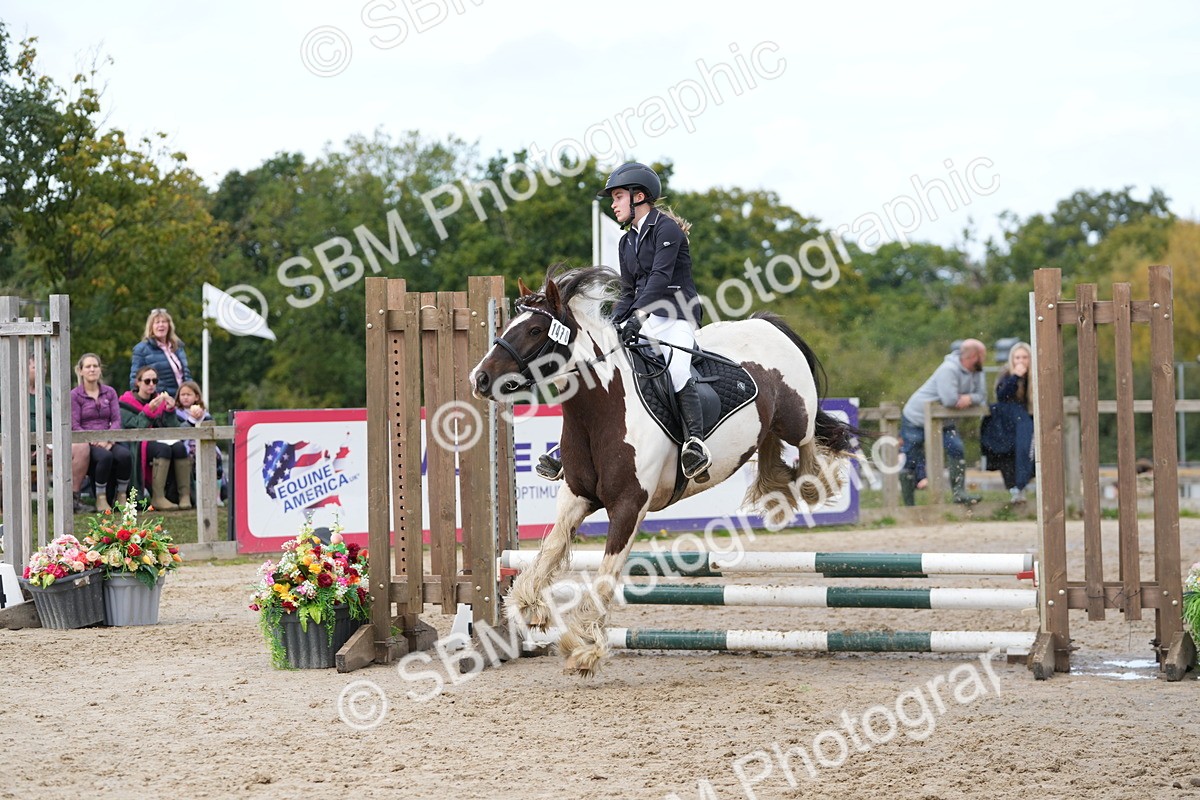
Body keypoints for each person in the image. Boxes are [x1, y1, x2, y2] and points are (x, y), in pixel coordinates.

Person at [537, 162, 709, 482]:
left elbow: (660, 279)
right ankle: (570, 449)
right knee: (600, 366)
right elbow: (629, 290)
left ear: (638, 196)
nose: (613, 204)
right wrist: (617, 321)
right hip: (642, 318)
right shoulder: (626, 242)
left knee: (677, 367)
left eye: (617, 197)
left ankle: (694, 443)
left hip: (676, 316)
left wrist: (639, 317)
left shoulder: (666, 229)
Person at [899, 339, 987, 505]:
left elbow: (982, 396)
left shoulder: (978, 371)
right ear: (975, 356)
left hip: (944, 421)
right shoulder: (948, 369)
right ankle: (909, 506)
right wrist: (964, 399)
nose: (985, 359)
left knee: (956, 448)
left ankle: (959, 493)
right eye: (983, 356)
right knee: (912, 457)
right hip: (916, 418)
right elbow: (950, 400)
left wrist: (969, 398)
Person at [120, 366, 190, 510]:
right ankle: (158, 497)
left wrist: (170, 411)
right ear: (138, 383)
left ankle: (184, 495)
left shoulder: (160, 400)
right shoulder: (125, 402)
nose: (151, 384)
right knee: (163, 449)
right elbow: (134, 427)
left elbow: (174, 428)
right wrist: (148, 411)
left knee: (179, 447)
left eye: (154, 381)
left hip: (161, 438)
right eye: (147, 381)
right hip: (138, 444)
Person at [70, 353, 133, 513]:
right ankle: (100, 498)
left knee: (125, 455)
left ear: (100, 369)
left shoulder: (110, 392)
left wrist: (109, 440)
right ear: (81, 371)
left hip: (108, 439)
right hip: (87, 442)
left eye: (95, 366)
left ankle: (121, 496)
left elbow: (117, 420)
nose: (92, 369)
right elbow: (75, 424)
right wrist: (93, 440)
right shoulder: (75, 395)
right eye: (88, 366)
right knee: (105, 457)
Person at [981, 342, 1035, 504]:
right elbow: (1002, 395)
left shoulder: (1036, 375)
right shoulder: (1007, 374)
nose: (1021, 361)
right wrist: (1015, 377)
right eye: (1017, 357)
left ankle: (1022, 485)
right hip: (1007, 421)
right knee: (1008, 454)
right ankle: (1016, 488)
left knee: (1026, 450)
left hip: (1026, 420)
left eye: (1025, 357)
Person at [174, 380, 227, 503]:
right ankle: (197, 496)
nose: (185, 397)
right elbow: (180, 432)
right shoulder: (176, 413)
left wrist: (201, 417)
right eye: (183, 395)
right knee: (194, 461)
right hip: (187, 446)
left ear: (196, 397)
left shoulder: (205, 414)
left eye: (189, 394)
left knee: (216, 457)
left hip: (206, 444)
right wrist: (192, 420)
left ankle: (216, 495)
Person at [130, 308, 191, 399]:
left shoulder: (178, 347)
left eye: (164, 322)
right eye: (157, 322)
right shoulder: (142, 349)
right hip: (159, 400)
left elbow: (186, 375)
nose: (161, 325)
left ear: (169, 325)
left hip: (181, 400)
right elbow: (135, 379)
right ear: (151, 326)